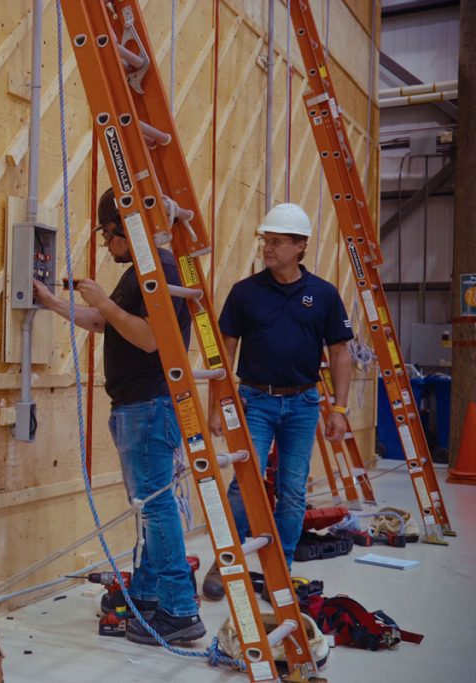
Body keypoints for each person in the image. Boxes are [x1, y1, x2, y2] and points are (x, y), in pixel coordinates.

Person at [33, 188, 204, 645]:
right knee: (148, 508)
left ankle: (179, 610)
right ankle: (147, 595)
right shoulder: (141, 274)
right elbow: (101, 323)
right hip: (139, 406)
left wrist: (105, 302)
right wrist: (51, 301)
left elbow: (149, 339)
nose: (107, 246)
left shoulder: (161, 271)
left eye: (109, 236)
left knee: (156, 507)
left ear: (124, 230)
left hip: (149, 405)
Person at [203, 203, 354, 600]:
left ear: (300, 246)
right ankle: (226, 561)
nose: (267, 248)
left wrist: (339, 409)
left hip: (303, 405)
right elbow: (224, 351)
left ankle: (280, 571)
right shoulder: (244, 293)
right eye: (265, 241)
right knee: (244, 484)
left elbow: (340, 352)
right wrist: (216, 407)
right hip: (255, 402)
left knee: (292, 491)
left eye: (276, 242)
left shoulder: (323, 295)